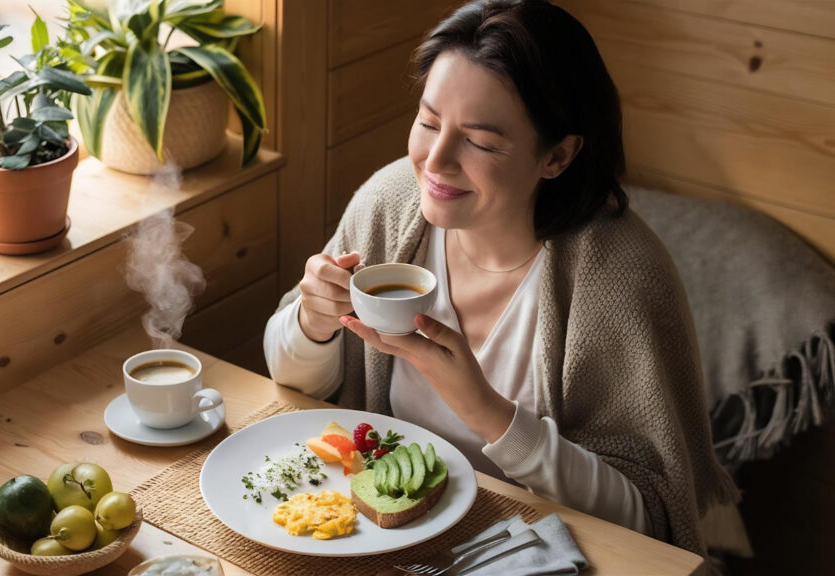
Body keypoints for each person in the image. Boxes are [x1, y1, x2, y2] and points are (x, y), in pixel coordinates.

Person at [263, 0, 738, 556]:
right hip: (389, 541)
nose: (435, 161)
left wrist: (488, 413)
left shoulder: (619, 277)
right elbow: (292, 383)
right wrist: (313, 322)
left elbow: (647, 518)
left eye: (481, 142)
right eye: (428, 122)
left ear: (557, 156)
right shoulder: (391, 202)